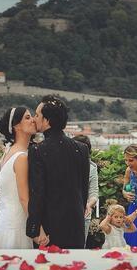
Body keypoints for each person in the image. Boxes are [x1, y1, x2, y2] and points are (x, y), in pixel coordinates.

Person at [27, 95, 90, 249]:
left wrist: (34, 228)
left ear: (47, 120)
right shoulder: (81, 149)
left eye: (37, 115)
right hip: (75, 223)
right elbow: (83, 190)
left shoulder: (37, 150)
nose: (34, 119)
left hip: (50, 225)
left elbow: (37, 193)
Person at [0, 107, 39, 249]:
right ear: (16, 126)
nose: (33, 120)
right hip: (16, 225)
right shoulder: (22, 157)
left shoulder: (7, 153)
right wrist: (37, 229)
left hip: (0, 223)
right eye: (27, 117)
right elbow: (24, 198)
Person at [72, 135, 99, 246]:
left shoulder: (92, 167)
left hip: (84, 215)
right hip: (63, 214)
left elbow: (94, 192)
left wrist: (88, 204)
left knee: (79, 248)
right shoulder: (63, 164)